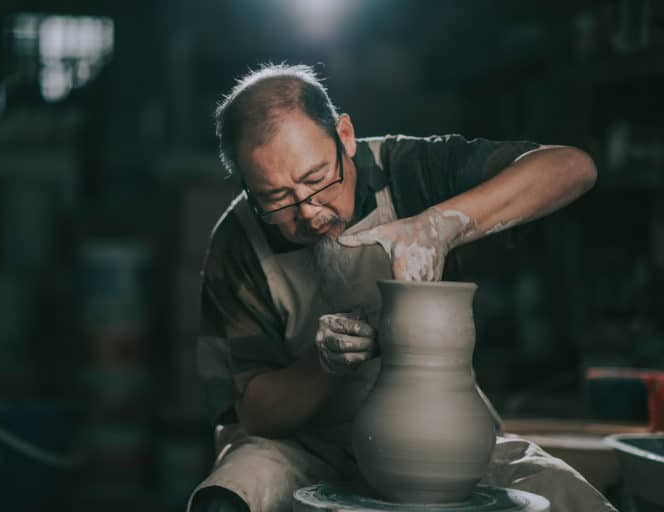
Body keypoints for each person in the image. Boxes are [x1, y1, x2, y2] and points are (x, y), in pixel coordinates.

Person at [188, 64, 616, 512]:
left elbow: (573, 167)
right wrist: (324, 363)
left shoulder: (408, 170)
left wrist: (442, 224)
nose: (308, 212)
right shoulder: (238, 242)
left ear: (345, 136)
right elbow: (255, 414)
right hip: (305, 448)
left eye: (317, 179)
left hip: (444, 436)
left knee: (562, 492)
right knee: (230, 496)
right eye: (277, 199)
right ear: (249, 187)